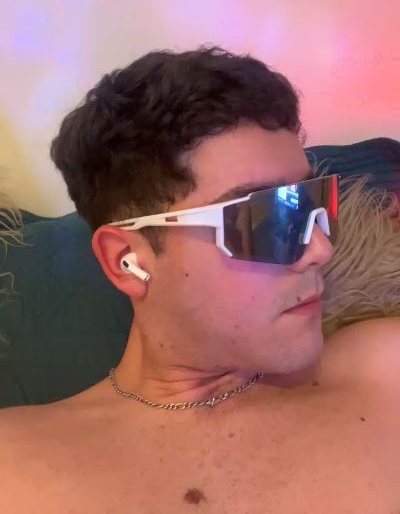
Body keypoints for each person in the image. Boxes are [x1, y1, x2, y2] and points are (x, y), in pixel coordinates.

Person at [1, 46, 400, 514]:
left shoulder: (383, 372)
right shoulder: (16, 466)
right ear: (128, 260)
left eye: (313, 204)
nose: (320, 250)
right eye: (264, 218)